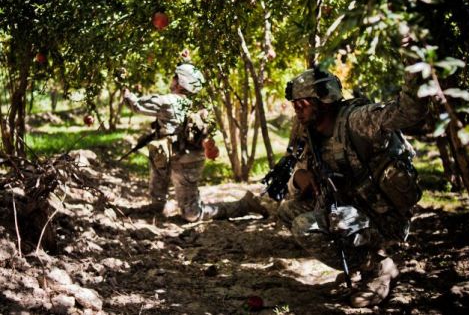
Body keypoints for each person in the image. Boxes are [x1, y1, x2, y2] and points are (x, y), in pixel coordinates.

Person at [278, 67, 426, 307]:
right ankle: (360, 265)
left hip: (384, 219)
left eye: (302, 104)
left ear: (323, 101)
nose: (296, 110)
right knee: (288, 211)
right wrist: (299, 179)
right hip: (348, 211)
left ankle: (380, 267)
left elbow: (409, 110)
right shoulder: (306, 130)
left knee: (305, 226)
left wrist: (413, 60)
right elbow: (288, 178)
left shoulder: (357, 121)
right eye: (294, 104)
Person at [123, 61, 268, 222]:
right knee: (158, 153)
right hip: (179, 158)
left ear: (179, 82)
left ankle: (243, 205)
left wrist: (126, 91)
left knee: (192, 214)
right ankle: (158, 205)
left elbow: (135, 105)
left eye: (174, 77)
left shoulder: (167, 101)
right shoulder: (199, 105)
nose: (172, 80)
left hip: (184, 162)